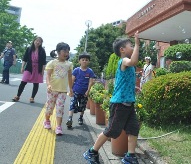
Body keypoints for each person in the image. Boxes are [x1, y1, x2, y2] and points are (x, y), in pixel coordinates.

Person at [83, 31, 140, 164]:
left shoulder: (128, 63)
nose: (132, 47)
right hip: (119, 104)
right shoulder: (124, 61)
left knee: (133, 129)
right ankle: (92, 151)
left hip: (128, 103)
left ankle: (130, 156)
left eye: (133, 45)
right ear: (122, 50)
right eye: (130, 45)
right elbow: (133, 60)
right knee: (112, 131)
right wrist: (137, 43)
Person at [43, 42, 73, 135]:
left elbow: (69, 77)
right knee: (49, 108)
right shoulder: (52, 63)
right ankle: (47, 121)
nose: (66, 53)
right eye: (64, 51)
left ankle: (59, 126)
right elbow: (48, 75)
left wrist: (71, 89)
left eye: (68, 51)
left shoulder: (69, 64)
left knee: (60, 108)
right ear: (58, 52)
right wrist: (48, 85)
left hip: (63, 91)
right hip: (52, 90)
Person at [12, 37, 46, 103]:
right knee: (23, 82)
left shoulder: (42, 50)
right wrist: (22, 67)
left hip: (37, 68)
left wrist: (42, 71)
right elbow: (25, 59)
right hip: (29, 67)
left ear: (41, 43)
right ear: (34, 41)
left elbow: (44, 62)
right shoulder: (29, 49)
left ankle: (32, 98)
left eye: (39, 41)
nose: (37, 42)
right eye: (36, 40)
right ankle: (17, 96)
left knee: (36, 83)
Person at [66, 52, 95, 128]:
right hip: (75, 91)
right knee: (72, 104)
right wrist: (70, 90)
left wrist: (88, 91)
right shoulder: (76, 70)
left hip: (84, 92)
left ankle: (81, 118)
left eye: (86, 60)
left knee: (82, 106)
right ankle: (70, 119)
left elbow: (91, 81)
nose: (84, 61)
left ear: (88, 61)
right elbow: (72, 80)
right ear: (79, 61)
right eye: (83, 59)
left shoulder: (90, 71)